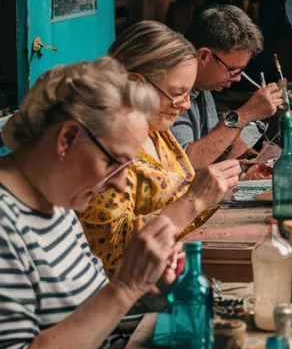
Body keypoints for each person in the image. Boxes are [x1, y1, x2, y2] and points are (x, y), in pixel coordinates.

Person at [0, 58, 178, 349]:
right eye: (114, 162)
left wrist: (151, 286)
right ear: (67, 138)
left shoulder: (58, 201)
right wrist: (125, 287)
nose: (119, 182)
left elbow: (90, 320)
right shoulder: (5, 220)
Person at [79, 22, 240, 275]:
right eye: (177, 93)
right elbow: (114, 255)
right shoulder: (105, 149)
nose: (186, 105)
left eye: (188, 93)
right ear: (135, 83)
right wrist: (195, 200)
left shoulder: (157, 130)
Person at [171, 6, 283, 168]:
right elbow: (185, 164)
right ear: (204, 56)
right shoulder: (172, 89)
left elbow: (214, 153)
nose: (237, 78)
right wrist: (245, 114)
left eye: (241, 71)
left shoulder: (205, 87)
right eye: (232, 70)